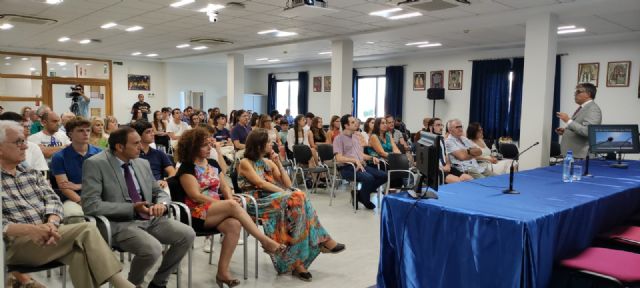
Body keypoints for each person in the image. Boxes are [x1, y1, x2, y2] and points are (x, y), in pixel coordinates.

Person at [0, 120, 135, 288]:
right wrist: (32, 230)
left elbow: (53, 200)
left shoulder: (30, 173)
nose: (26, 147)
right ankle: (124, 286)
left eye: (25, 141)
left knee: (80, 254)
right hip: (12, 244)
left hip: (48, 234)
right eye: (19, 142)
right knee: (87, 229)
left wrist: (51, 223)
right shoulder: (60, 157)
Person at [81, 127, 196, 288]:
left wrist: (161, 205)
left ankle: (158, 282)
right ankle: (133, 284)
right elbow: (91, 205)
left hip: (150, 218)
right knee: (153, 249)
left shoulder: (142, 163)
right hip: (119, 224)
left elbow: (158, 191)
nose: (141, 147)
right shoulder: (95, 164)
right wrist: (132, 209)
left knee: (187, 234)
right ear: (120, 147)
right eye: (135, 144)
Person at [175, 128, 285, 286]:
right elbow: (195, 196)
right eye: (204, 145)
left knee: (234, 224)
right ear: (192, 147)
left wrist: (228, 198)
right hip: (195, 213)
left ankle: (222, 273)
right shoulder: (186, 168)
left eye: (209, 144)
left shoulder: (212, 163)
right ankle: (265, 241)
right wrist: (225, 204)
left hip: (214, 210)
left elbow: (224, 186)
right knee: (233, 205)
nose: (209, 148)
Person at [237, 128, 345, 282]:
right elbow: (260, 184)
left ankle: (297, 263)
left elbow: (288, 184)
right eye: (268, 142)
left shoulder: (268, 162)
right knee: (298, 196)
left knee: (298, 205)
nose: (271, 144)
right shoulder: (245, 163)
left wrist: (278, 163)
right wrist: (286, 194)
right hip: (256, 202)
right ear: (259, 145)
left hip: (277, 198)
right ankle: (322, 241)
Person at [51, 117, 103, 220]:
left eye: (88, 130)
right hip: (73, 198)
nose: (86, 133)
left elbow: (106, 182)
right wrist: (81, 201)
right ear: (70, 134)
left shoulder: (100, 153)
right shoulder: (59, 157)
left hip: (98, 195)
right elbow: (65, 188)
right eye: (80, 130)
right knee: (74, 216)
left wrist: (79, 186)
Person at [333, 115, 387, 209]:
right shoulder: (338, 139)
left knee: (384, 176)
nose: (356, 124)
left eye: (355, 121)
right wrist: (354, 160)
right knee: (369, 178)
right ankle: (365, 199)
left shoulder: (356, 137)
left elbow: (361, 155)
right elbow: (339, 158)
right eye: (353, 122)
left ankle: (360, 194)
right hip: (346, 168)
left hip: (361, 166)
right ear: (346, 125)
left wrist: (371, 157)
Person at [556, 83, 602, 159]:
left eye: (578, 92)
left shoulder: (593, 109)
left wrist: (568, 120)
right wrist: (566, 131)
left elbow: (588, 131)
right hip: (573, 154)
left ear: (588, 94)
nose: (575, 94)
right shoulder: (584, 108)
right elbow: (580, 127)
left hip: (581, 156)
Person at [427, 118, 473, 183]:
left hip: (446, 167)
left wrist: (448, 164)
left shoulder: (442, 139)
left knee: (469, 178)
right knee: (459, 182)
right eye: (438, 125)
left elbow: (446, 154)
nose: (441, 128)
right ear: (431, 127)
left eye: (441, 125)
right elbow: (427, 162)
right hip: (437, 170)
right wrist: (443, 168)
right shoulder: (427, 141)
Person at [132, 121, 176, 191]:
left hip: (159, 187)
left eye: (152, 131)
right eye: (148, 132)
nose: (152, 134)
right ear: (139, 135)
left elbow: (172, 172)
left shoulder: (159, 153)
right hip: (141, 187)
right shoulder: (133, 155)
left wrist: (165, 181)